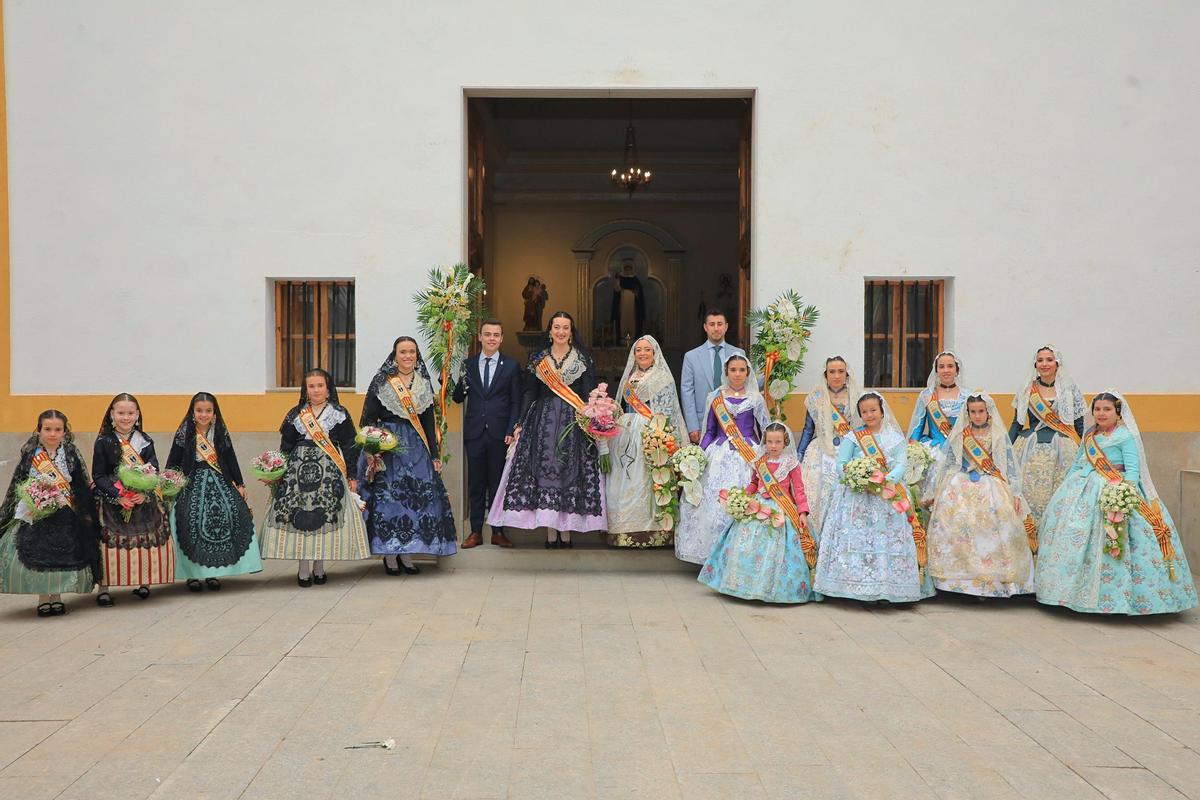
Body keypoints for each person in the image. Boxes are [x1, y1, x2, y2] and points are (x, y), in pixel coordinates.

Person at [1035, 392, 1196, 615]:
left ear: (1118, 412)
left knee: (1117, 541)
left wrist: (1124, 494)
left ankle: (1118, 599)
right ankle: (1067, 593)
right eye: (1097, 409)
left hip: (1115, 489)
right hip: (1082, 489)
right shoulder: (1089, 435)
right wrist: (1066, 489)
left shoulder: (1124, 436)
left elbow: (1133, 470)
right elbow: (1078, 463)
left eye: (1107, 409)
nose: (1101, 413)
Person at [488, 311, 607, 548]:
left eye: (565, 328)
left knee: (570, 475)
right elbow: (530, 392)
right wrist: (520, 422)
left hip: (574, 424)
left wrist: (594, 417)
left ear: (571, 333)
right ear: (550, 331)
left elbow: (588, 392)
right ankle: (551, 531)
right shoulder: (538, 358)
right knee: (544, 473)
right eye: (557, 327)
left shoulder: (582, 358)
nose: (561, 332)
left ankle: (567, 531)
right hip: (542, 423)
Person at [815, 392, 935, 604]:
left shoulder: (895, 438)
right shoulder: (853, 437)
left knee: (885, 541)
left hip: (888, 493)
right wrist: (857, 477)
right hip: (857, 495)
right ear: (860, 414)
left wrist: (886, 480)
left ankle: (887, 587)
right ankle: (854, 585)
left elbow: (901, 463)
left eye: (873, 410)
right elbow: (841, 464)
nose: (869, 415)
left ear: (882, 411)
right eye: (864, 412)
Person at [260, 369, 370, 586]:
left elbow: (350, 445)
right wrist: (277, 472)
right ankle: (303, 569)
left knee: (325, 516)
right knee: (299, 518)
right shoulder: (295, 414)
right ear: (306, 389)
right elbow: (286, 446)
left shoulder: (339, 413)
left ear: (328, 389)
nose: (316, 390)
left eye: (320, 385)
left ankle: (319, 567)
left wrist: (351, 475)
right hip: (298, 474)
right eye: (311, 386)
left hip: (329, 472)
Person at [358, 337, 457, 574]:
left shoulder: (423, 383)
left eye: (412, 352)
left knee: (415, 501)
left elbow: (428, 423)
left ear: (416, 355)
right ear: (395, 355)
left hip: (417, 449)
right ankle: (390, 555)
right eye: (403, 352)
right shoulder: (382, 382)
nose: (408, 356)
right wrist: (373, 449)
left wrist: (435, 455)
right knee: (390, 501)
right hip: (389, 449)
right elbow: (368, 419)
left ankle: (407, 554)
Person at [924, 393, 1035, 598]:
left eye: (981, 411)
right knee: (956, 527)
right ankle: (959, 583)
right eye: (973, 412)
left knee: (994, 527)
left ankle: (992, 583)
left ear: (988, 412)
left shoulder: (997, 434)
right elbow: (948, 463)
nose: (977, 415)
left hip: (990, 483)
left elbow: (1008, 466)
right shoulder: (960, 434)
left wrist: (1015, 493)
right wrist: (936, 490)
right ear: (967, 413)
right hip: (961, 483)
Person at [699, 422, 818, 603]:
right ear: (764, 442)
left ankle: (776, 589)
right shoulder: (759, 462)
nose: (773, 446)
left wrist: (802, 512)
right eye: (770, 442)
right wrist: (742, 497)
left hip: (782, 508)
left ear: (785, 442)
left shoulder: (791, 464)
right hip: (757, 506)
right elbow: (754, 484)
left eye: (778, 442)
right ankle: (741, 584)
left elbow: (799, 490)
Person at [0, 410, 99, 616]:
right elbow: (19, 482)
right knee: (39, 555)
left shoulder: (70, 454)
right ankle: (43, 597)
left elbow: (80, 481)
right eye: (47, 429)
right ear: (39, 430)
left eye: (57, 429)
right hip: (38, 515)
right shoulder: (31, 455)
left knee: (61, 556)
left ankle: (57, 596)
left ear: (64, 432)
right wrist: (33, 498)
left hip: (65, 513)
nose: (52, 434)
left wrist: (83, 508)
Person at [675, 354, 768, 565]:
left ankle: (741, 557)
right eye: (733, 370)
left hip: (747, 454)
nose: (737, 374)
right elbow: (709, 431)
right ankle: (712, 556)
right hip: (718, 454)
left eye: (742, 370)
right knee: (712, 504)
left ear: (748, 373)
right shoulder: (715, 398)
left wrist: (765, 458)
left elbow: (764, 430)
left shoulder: (755, 399)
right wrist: (698, 455)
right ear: (726, 372)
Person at [166, 392, 262, 591]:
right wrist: (170, 483)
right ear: (192, 412)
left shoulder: (219, 431)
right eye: (199, 410)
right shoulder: (184, 432)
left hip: (219, 479)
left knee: (229, 517)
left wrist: (240, 483)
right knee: (189, 522)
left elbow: (230, 457)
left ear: (214, 413)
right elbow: (173, 460)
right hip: (191, 482)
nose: (204, 414)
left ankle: (212, 572)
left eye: (208, 411)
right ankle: (192, 574)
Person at [605, 335, 689, 547]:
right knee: (626, 480)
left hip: (652, 433)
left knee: (649, 479)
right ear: (633, 354)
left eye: (647, 350)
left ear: (655, 353)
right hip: (626, 432)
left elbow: (668, 409)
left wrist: (663, 435)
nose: (642, 353)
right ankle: (624, 532)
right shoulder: (629, 377)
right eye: (638, 350)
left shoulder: (662, 377)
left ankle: (655, 533)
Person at [92, 393, 174, 604]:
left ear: (137, 414)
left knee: (144, 540)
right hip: (113, 498)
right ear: (112, 414)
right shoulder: (104, 441)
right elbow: (98, 475)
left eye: (130, 413)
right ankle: (104, 587)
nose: (125, 417)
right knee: (107, 544)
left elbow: (153, 469)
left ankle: (144, 582)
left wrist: (144, 492)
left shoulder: (145, 441)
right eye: (121, 413)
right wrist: (117, 495)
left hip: (140, 498)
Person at [452, 319, 521, 549]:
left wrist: (511, 429)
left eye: (496, 335)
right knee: (476, 483)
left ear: (501, 339)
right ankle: (475, 532)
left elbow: (515, 401)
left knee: (498, 483)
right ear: (479, 337)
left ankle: (498, 531)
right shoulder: (468, 365)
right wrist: (448, 379)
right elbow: (458, 397)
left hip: (500, 434)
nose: (492, 338)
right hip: (475, 432)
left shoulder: (511, 366)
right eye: (487, 334)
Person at [1009, 345, 1085, 523]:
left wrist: (1087, 450)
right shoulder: (1027, 389)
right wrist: (1005, 449)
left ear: (1057, 363)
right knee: (1030, 493)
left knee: (1060, 494)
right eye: (1040, 360)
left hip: (1064, 449)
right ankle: (1031, 532)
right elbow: (1017, 423)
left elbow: (1079, 424)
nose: (1044, 364)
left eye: (1049, 360)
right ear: (1035, 364)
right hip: (1030, 449)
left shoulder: (1069, 389)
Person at [797, 356, 861, 537]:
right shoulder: (816, 397)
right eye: (832, 372)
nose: (836, 376)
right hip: (820, 451)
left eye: (841, 371)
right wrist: (799, 455)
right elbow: (808, 429)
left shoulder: (856, 396)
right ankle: (816, 536)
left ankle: (841, 536)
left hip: (848, 449)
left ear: (847, 374)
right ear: (826, 374)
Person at [679, 309, 746, 446]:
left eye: (720, 324)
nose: (716, 328)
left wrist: (770, 372)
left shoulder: (738, 353)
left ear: (726, 327)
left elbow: (748, 383)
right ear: (705, 327)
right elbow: (687, 392)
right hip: (702, 422)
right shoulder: (691, 357)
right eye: (712, 324)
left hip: (734, 421)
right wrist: (692, 426)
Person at [908, 351, 971, 491]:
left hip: (961, 450)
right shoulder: (927, 395)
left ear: (957, 370)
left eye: (950, 366)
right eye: (941, 367)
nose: (946, 370)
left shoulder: (967, 396)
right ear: (936, 370)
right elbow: (918, 427)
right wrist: (913, 451)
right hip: (934, 450)